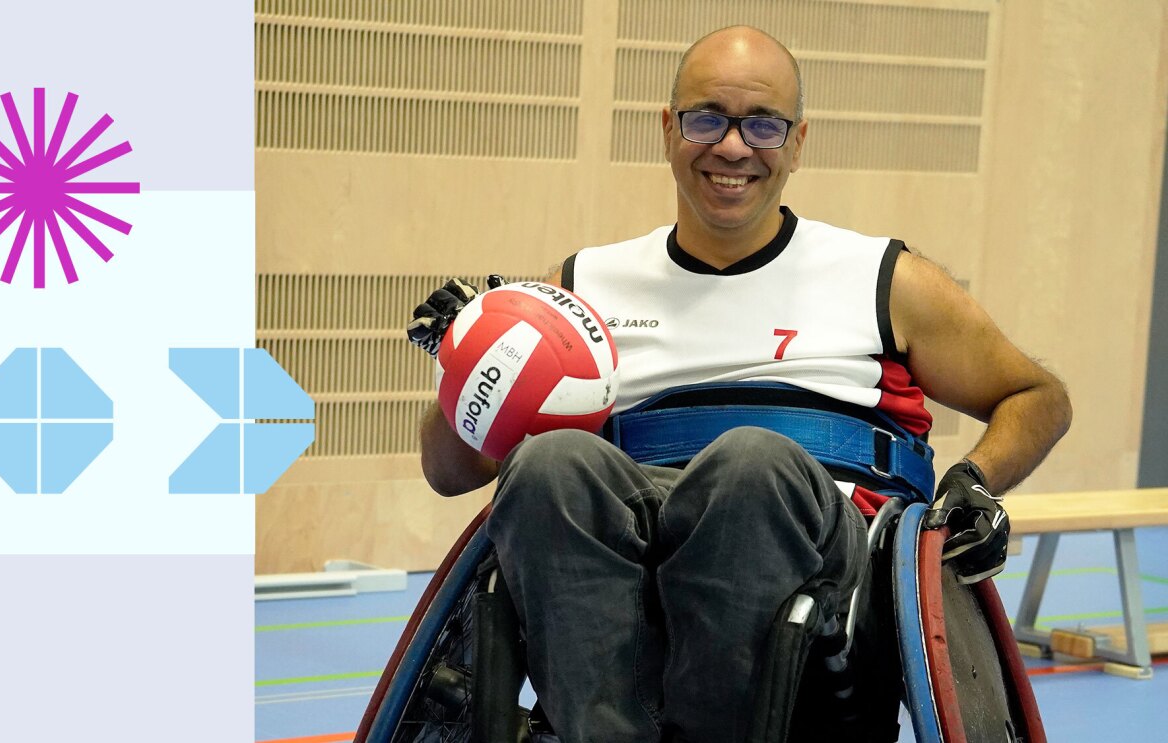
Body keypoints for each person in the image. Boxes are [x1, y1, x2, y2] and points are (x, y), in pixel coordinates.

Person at [407, 25, 1071, 743]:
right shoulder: (583, 289)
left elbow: (1037, 396)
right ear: (668, 129)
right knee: (546, 465)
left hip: (825, 551)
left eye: (762, 125)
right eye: (706, 118)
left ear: (797, 141)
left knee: (750, 464)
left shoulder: (882, 278)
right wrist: (466, 362)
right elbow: (450, 472)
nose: (732, 147)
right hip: (643, 544)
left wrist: (976, 479)